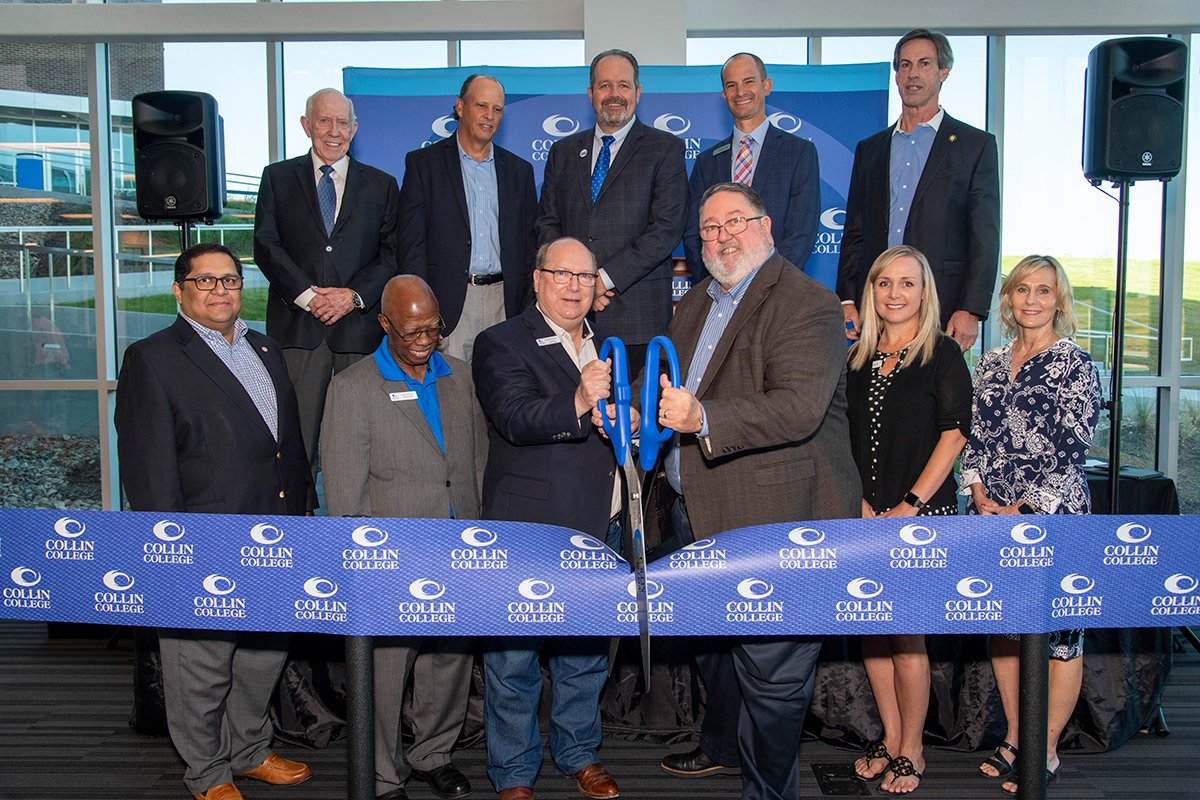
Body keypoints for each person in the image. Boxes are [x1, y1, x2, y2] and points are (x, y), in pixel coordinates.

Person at [656, 182, 860, 800]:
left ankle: (769, 794)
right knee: (718, 653)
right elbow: (674, 399)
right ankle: (723, 748)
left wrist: (704, 420)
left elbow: (796, 409)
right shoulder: (691, 305)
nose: (720, 237)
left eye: (734, 223)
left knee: (773, 679)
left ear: (766, 227)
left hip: (778, 521)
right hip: (699, 512)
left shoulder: (808, 303)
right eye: (709, 229)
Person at [115, 243, 314, 800]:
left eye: (229, 280)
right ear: (179, 291)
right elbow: (149, 467)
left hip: (274, 533)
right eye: (206, 282)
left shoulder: (266, 347)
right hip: (204, 540)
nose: (221, 291)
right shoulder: (152, 358)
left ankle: (248, 750)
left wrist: (298, 518)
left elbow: (286, 446)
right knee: (201, 665)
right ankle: (207, 772)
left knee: (262, 655)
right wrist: (171, 548)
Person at [321, 275, 484, 800]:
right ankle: (383, 774)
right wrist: (366, 567)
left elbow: (475, 463)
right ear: (385, 323)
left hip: (460, 551)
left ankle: (433, 753)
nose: (424, 339)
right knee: (385, 674)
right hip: (391, 561)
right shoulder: (351, 389)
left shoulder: (462, 377)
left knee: (450, 665)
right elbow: (345, 496)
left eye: (433, 329)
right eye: (412, 329)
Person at [472, 237, 622, 800]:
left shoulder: (608, 344)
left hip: (598, 522)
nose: (573, 285)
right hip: (529, 529)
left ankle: (579, 754)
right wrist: (580, 401)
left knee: (584, 653)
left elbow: (621, 420)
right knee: (514, 657)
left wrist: (627, 415)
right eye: (561, 274)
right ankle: (512, 773)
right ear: (537, 279)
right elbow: (513, 418)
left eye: (585, 276)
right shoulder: (500, 342)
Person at [959, 255, 1102, 795]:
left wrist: (1023, 507)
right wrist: (978, 492)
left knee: (1060, 634)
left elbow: (1073, 446)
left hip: (1054, 515)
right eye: (1022, 289)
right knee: (1006, 625)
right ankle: (1018, 735)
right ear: (1009, 298)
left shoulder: (1076, 364)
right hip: (989, 517)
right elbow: (971, 436)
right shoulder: (991, 363)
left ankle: (1045, 749)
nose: (1032, 300)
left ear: (1058, 301)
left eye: (1044, 291)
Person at [844, 245, 971, 794]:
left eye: (907, 283)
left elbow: (955, 433)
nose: (894, 293)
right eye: (884, 282)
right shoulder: (856, 358)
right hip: (866, 515)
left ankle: (914, 749)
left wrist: (910, 505)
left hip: (921, 517)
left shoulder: (942, 353)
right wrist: (862, 502)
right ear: (871, 291)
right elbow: (843, 439)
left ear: (925, 293)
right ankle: (892, 739)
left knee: (907, 636)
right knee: (873, 632)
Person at [254, 87, 401, 477]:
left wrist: (351, 297)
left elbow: (391, 255)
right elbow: (266, 246)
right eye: (324, 121)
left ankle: (359, 521)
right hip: (298, 331)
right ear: (306, 125)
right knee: (296, 438)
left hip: (359, 331)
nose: (334, 131)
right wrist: (308, 297)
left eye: (342, 122)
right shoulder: (277, 179)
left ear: (354, 129)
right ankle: (299, 520)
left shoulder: (382, 185)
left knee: (364, 435)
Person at [837, 28, 1000, 352]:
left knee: (930, 400)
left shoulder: (974, 146)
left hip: (941, 306)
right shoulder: (870, 149)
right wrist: (847, 297)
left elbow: (984, 234)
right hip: (876, 307)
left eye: (924, 64)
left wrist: (971, 309)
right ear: (896, 74)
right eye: (905, 65)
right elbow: (854, 231)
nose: (913, 74)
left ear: (943, 72)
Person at [535, 48, 688, 369]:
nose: (614, 95)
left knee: (633, 416)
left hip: (637, 321)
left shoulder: (665, 149)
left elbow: (666, 230)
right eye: (605, 86)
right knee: (571, 414)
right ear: (590, 94)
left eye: (623, 85)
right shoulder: (562, 152)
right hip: (569, 314)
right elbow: (548, 225)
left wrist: (601, 281)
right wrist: (575, 283)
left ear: (638, 92)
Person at [398, 74, 537, 362]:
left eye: (497, 109)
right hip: (448, 305)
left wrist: (525, 310)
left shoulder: (519, 172)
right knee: (451, 398)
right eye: (481, 106)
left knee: (504, 397)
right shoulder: (423, 165)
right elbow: (412, 245)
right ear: (460, 107)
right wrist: (425, 309)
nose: (489, 116)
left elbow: (529, 246)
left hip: (505, 303)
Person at [683, 52, 820, 281]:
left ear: (766, 86)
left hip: (779, 292)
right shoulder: (707, 162)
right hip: (720, 293)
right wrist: (720, 285)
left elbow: (801, 234)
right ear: (724, 95)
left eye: (748, 82)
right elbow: (693, 235)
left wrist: (761, 285)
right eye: (731, 85)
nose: (740, 92)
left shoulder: (798, 153)